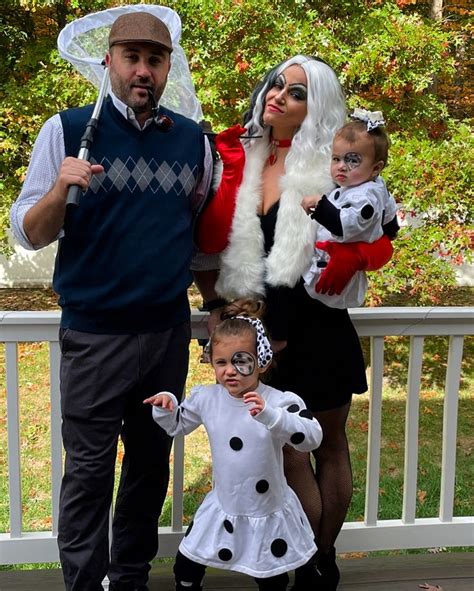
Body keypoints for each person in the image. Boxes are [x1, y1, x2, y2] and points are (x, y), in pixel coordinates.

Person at [9, 11, 215, 591]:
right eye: (132, 57)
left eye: (155, 59)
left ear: (167, 66)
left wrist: (221, 306)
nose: (143, 71)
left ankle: (128, 579)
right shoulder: (68, 129)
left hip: (166, 334)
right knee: (90, 475)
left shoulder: (193, 142)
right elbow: (28, 232)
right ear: (110, 61)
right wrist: (60, 187)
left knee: (149, 470)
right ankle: (82, 583)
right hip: (95, 337)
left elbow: (196, 242)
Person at [195, 55, 396, 590]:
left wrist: (366, 257)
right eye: (277, 84)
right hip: (257, 330)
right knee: (282, 452)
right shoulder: (245, 157)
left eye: (298, 92)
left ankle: (320, 559)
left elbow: (376, 231)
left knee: (326, 444)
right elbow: (214, 242)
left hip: (314, 327)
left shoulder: (333, 167)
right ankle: (295, 559)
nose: (279, 94)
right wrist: (221, 308)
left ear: (318, 108)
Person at [144, 300, 323, 591]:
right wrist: (166, 406)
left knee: (270, 575)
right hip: (224, 503)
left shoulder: (279, 401)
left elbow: (311, 437)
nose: (230, 371)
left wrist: (271, 416)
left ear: (261, 360)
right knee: (187, 565)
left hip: (266, 508)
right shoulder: (207, 398)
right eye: (221, 362)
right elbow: (178, 425)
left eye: (240, 361)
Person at [301, 108, 399, 308]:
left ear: (375, 168)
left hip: (333, 274)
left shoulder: (365, 197)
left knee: (324, 299)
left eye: (352, 160)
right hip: (327, 260)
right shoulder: (378, 186)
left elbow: (344, 226)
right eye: (336, 159)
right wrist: (387, 231)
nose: (341, 166)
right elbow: (390, 221)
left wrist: (320, 204)